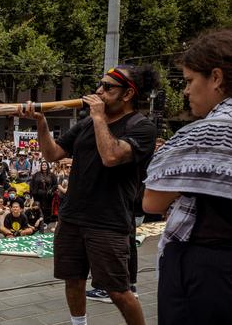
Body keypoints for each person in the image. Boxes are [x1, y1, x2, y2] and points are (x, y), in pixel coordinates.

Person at [19, 64, 159, 325]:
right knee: (73, 279)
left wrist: (98, 117)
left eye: (107, 87)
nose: (99, 91)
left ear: (128, 94)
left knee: (118, 290)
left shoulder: (142, 127)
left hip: (109, 220)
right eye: (100, 84)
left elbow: (111, 156)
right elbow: (52, 154)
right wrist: (42, 122)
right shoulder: (84, 124)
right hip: (72, 216)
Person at [142, 29, 232, 325]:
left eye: (190, 80)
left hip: (207, 268)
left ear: (216, 78)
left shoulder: (204, 133)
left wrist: (191, 183)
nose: (186, 90)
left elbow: (152, 201)